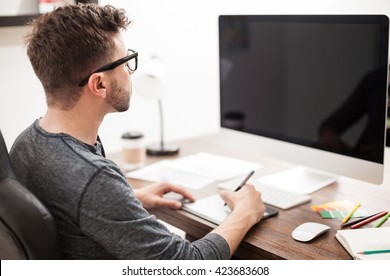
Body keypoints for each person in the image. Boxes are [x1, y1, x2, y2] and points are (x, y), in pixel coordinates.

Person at [9, 3, 265, 260]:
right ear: (99, 84)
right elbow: (188, 264)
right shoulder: (93, 177)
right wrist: (245, 213)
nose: (131, 72)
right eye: (126, 62)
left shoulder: (26, 143)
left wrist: (130, 200)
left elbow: (66, 208)